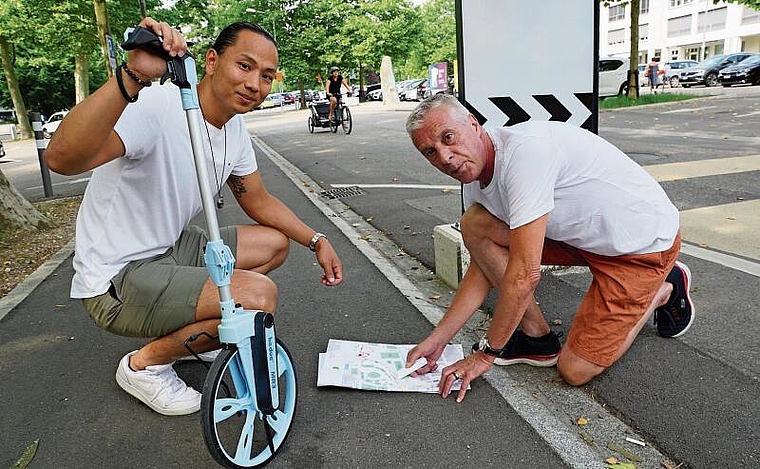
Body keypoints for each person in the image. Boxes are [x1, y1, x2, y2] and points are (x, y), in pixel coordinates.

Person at [45, 18, 343, 416]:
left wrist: (317, 240)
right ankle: (145, 365)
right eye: (245, 66)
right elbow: (61, 160)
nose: (255, 84)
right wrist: (132, 76)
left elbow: (258, 199)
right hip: (117, 275)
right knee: (259, 297)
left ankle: (194, 328)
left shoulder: (234, 129)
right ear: (212, 61)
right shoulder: (156, 106)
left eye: (267, 76)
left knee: (273, 245)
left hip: (168, 247)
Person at [403, 94, 694, 402]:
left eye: (449, 138)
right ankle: (536, 340)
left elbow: (524, 275)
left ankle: (664, 288)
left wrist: (486, 354)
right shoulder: (476, 179)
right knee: (475, 224)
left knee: (575, 370)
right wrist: (438, 340)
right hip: (585, 237)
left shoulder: (525, 154)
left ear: (474, 125)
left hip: (640, 249)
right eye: (431, 152)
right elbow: (482, 267)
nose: (445, 157)